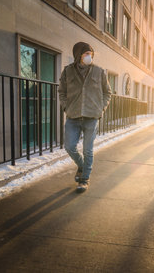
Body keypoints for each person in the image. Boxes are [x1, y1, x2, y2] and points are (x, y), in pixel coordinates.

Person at [59, 42, 112, 193]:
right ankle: (82, 166)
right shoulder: (68, 71)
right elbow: (62, 91)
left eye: (91, 54)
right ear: (78, 55)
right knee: (69, 147)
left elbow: (107, 92)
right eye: (86, 54)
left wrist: (102, 108)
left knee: (88, 150)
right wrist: (65, 106)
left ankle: (84, 179)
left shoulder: (99, 72)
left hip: (91, 116)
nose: (89, 57)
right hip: (73, 115)